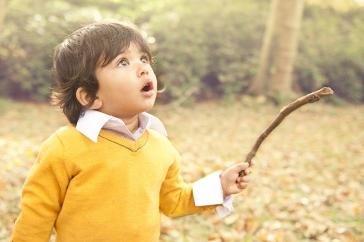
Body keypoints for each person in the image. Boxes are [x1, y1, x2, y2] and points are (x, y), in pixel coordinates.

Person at [11, 21, 252, 242]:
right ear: (89, 96)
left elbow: (174, 200)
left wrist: (219, 186)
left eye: (144, 59)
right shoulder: (65, 147)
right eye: (123, 62)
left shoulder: (160, 146)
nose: (143, 69)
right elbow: (37, 215)